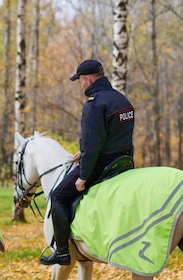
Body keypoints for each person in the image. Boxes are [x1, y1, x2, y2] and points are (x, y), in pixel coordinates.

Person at [39, 59, 135, 265]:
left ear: (88, 79)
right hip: (123, 160)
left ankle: (63, 252)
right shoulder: (122, 100)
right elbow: (113, 136)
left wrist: (83, 175)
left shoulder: (95, 104)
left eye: (80, 81)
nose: (80, 85)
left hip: (102, 163)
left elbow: (94, 146)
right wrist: (82, 152)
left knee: (57, 196)